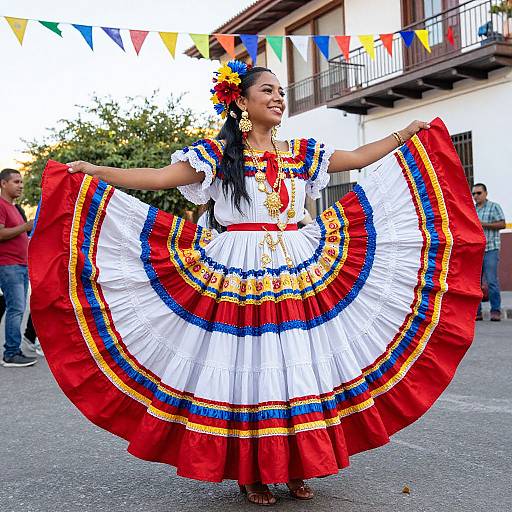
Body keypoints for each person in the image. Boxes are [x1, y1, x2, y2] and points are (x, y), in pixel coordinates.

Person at [29, 62, 485, 506]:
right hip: (237, 267)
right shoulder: (215, 155)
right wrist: (98, 173)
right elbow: (159, 179)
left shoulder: (302, 152)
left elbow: (358, 158)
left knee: (297, 360)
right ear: (242, 102)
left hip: (298, 262)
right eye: (267, 91)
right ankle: (253, 471)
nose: (278, 98)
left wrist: (407, 134)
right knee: (248, 365)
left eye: (280, 92)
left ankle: (297, 463)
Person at [0, 168, 36, 367]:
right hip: (9, 265)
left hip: (20, 265)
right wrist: (25, 227)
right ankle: (11, 353)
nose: (21, 186)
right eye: (16, 182)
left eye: (21, 182)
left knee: (17, 308)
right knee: (16, 309)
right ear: (3, 184)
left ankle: (14, 350)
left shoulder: (14, 207)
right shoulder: (1, 206)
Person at [472, 183, 506, 321]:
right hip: (475, 250)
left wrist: (483, 224)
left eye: (479, 193)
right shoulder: (471, 209)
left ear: (486, 193)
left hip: (491, 249)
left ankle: (495, 310)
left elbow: (502, 224)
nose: (476, 196)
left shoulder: (494, 207)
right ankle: (477, 312)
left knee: (491, 281)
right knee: (474, 283)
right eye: (474, 194)